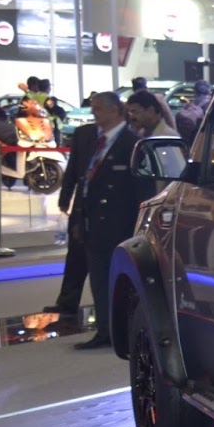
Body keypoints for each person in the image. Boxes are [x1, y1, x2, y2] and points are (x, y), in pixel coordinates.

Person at [75, 92, 155, 349]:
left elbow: (144, 190)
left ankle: (125, 331)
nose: (94, 113)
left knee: (122, 281)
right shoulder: (94, 142)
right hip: (95, 224)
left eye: (98, 108)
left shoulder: (132, 144)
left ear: (114, 110)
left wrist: (142, 228)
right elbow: (85, 182)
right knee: (99, 280)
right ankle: (105, 330)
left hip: (121, 224)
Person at [45, 107, 103, 315]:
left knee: (101, 262)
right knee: (75, 257)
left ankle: (105, 309)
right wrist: (65, 198)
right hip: (81, 206)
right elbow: (73, 169)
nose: (97, 113)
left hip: (107, 210)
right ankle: (67, 302)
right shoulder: (84, 133)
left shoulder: (126, 136)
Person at [175, 79, 212, 149]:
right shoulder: (212, 105)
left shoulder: (189, 106)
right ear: (209, 91)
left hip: (187, 141)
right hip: (203, 140)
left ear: (195, 91)